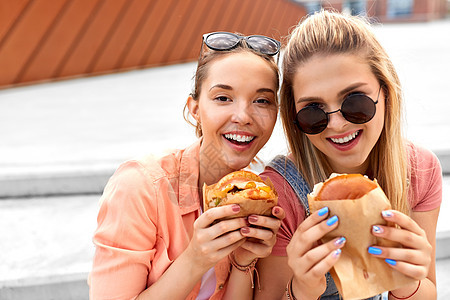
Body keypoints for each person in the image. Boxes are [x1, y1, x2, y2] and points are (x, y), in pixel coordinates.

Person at [255, 10, 442, 300]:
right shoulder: (280, 192)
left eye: (355, 102)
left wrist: (407, 282)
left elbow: (428, 291)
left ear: (386, 92)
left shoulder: (420, 170)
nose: (337, 124)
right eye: (313, 112)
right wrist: (302, 290)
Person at [88, 31, 285, 300]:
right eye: (223, 98)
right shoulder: (141, 187)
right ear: (194, 109)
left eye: (262, 101)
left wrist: (244, 260)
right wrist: (195, 259)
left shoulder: (260, 199)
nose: (243, 116)